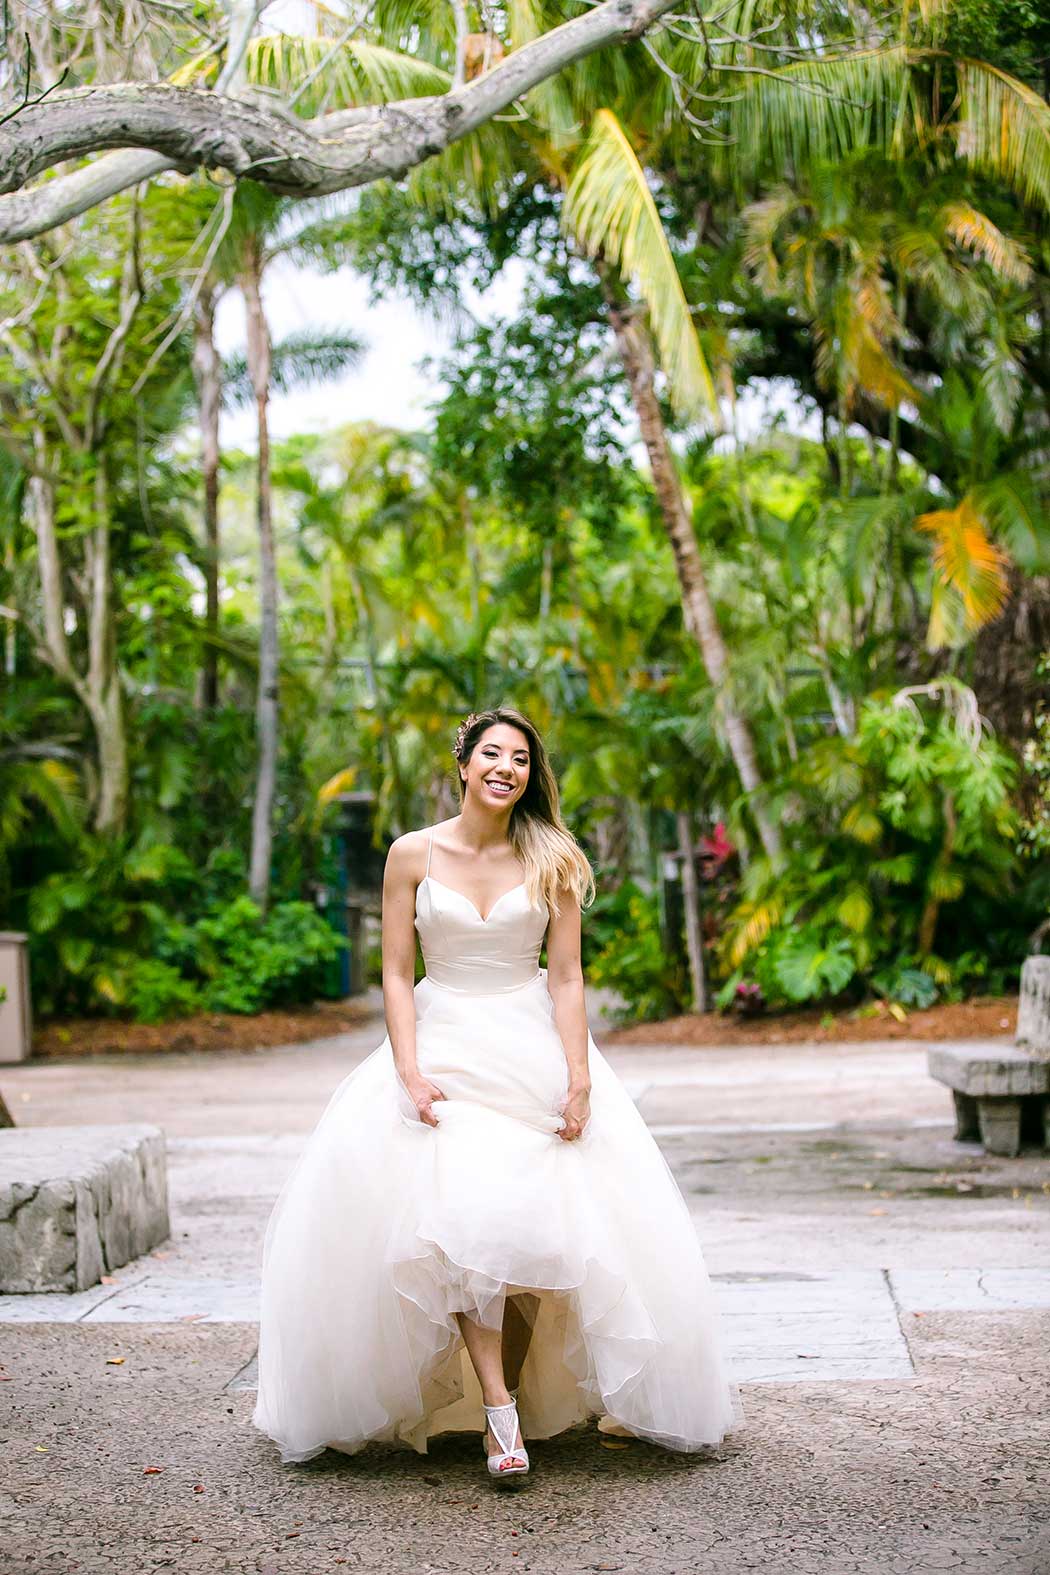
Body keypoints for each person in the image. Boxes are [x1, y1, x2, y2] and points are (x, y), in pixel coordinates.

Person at [252, 706, 740, 1483]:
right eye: (492, 753)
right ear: (465, 764)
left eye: (520, 757)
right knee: (463, 1217)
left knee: (533, 1236)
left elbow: (570, 976)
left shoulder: (553, 857)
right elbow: (394, 971)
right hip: (443, 1045)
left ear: (530, 773)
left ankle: (499, 1397)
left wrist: (579, 1076)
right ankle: (499, 1411)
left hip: (529, 1048)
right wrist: (409, 1069)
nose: (505, 767)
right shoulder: (411, 854)